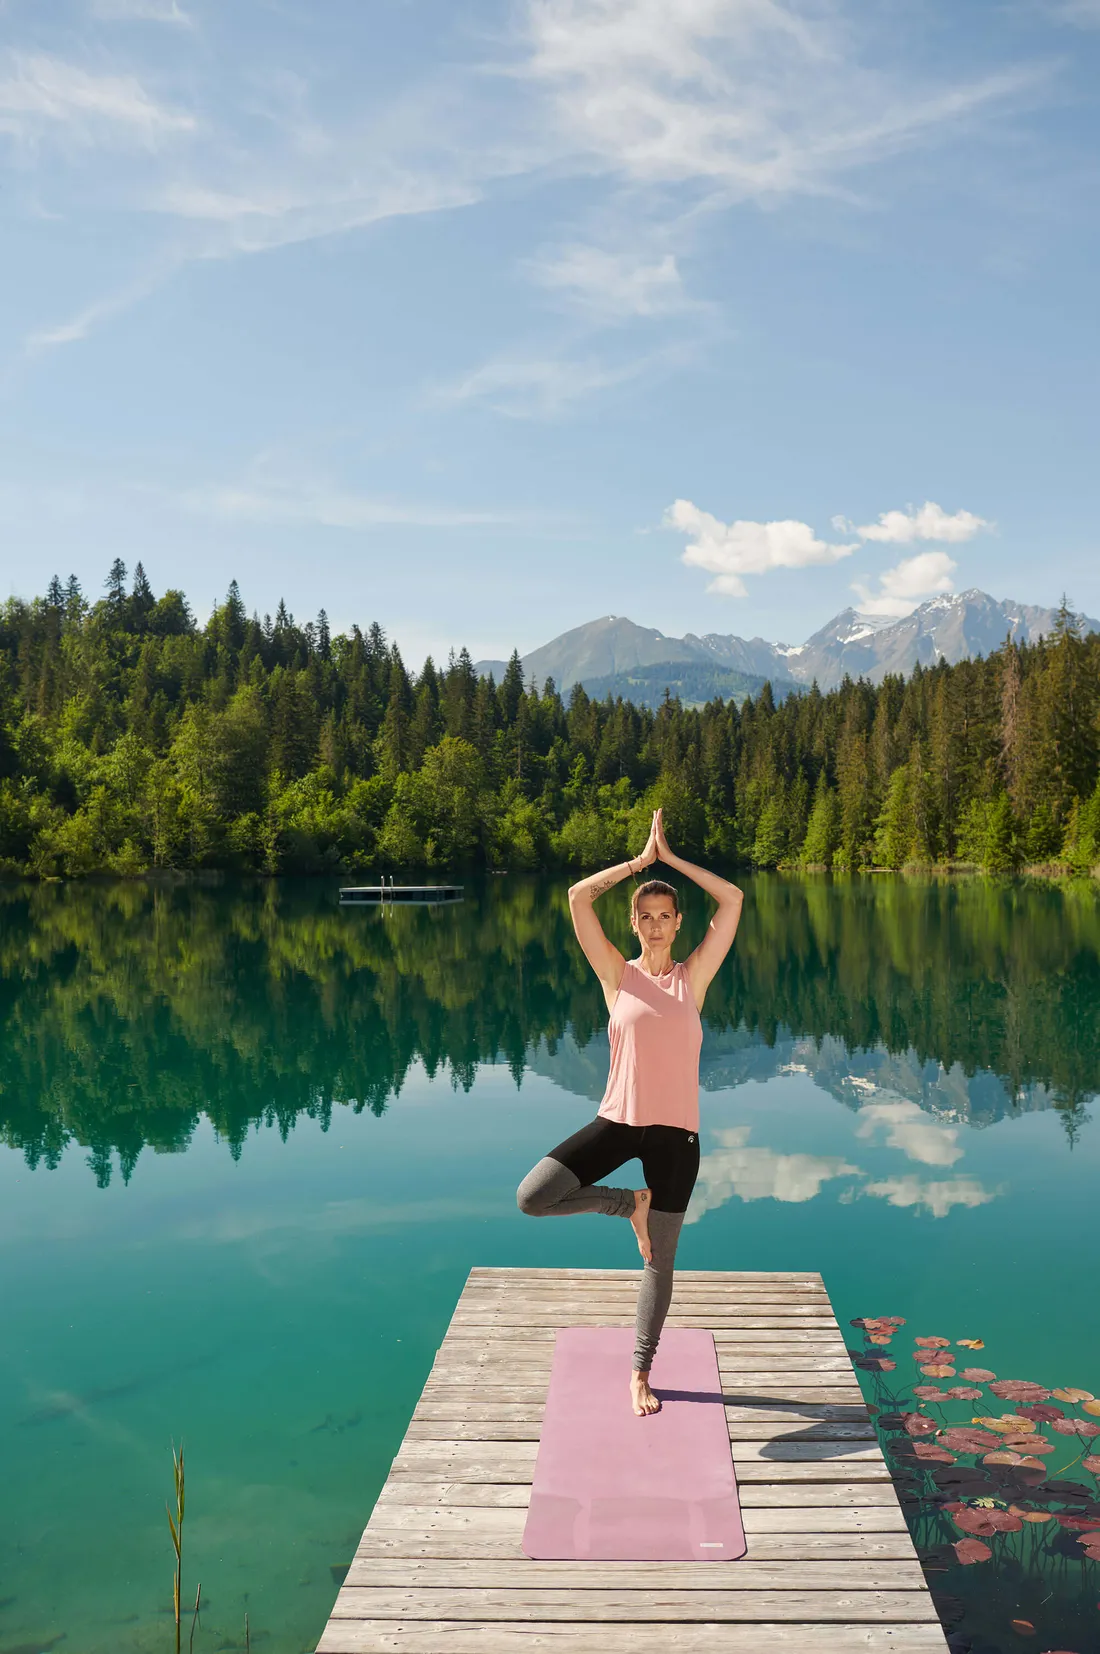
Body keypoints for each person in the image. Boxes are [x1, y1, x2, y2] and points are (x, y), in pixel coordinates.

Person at [517, 807, 744, 1416]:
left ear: (678, 923)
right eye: (645, 917)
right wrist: (639, 864)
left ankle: (640, 1373)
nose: (655, 926)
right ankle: (627, 1205)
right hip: (619, 1120)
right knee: (533, 1196)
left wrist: (672, 861)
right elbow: (575, 897)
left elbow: (734, 897)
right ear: (635, 923)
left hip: (677, 1136)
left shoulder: (693, 977)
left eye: (665, 917)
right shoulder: (615, 975)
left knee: (660, 1264)